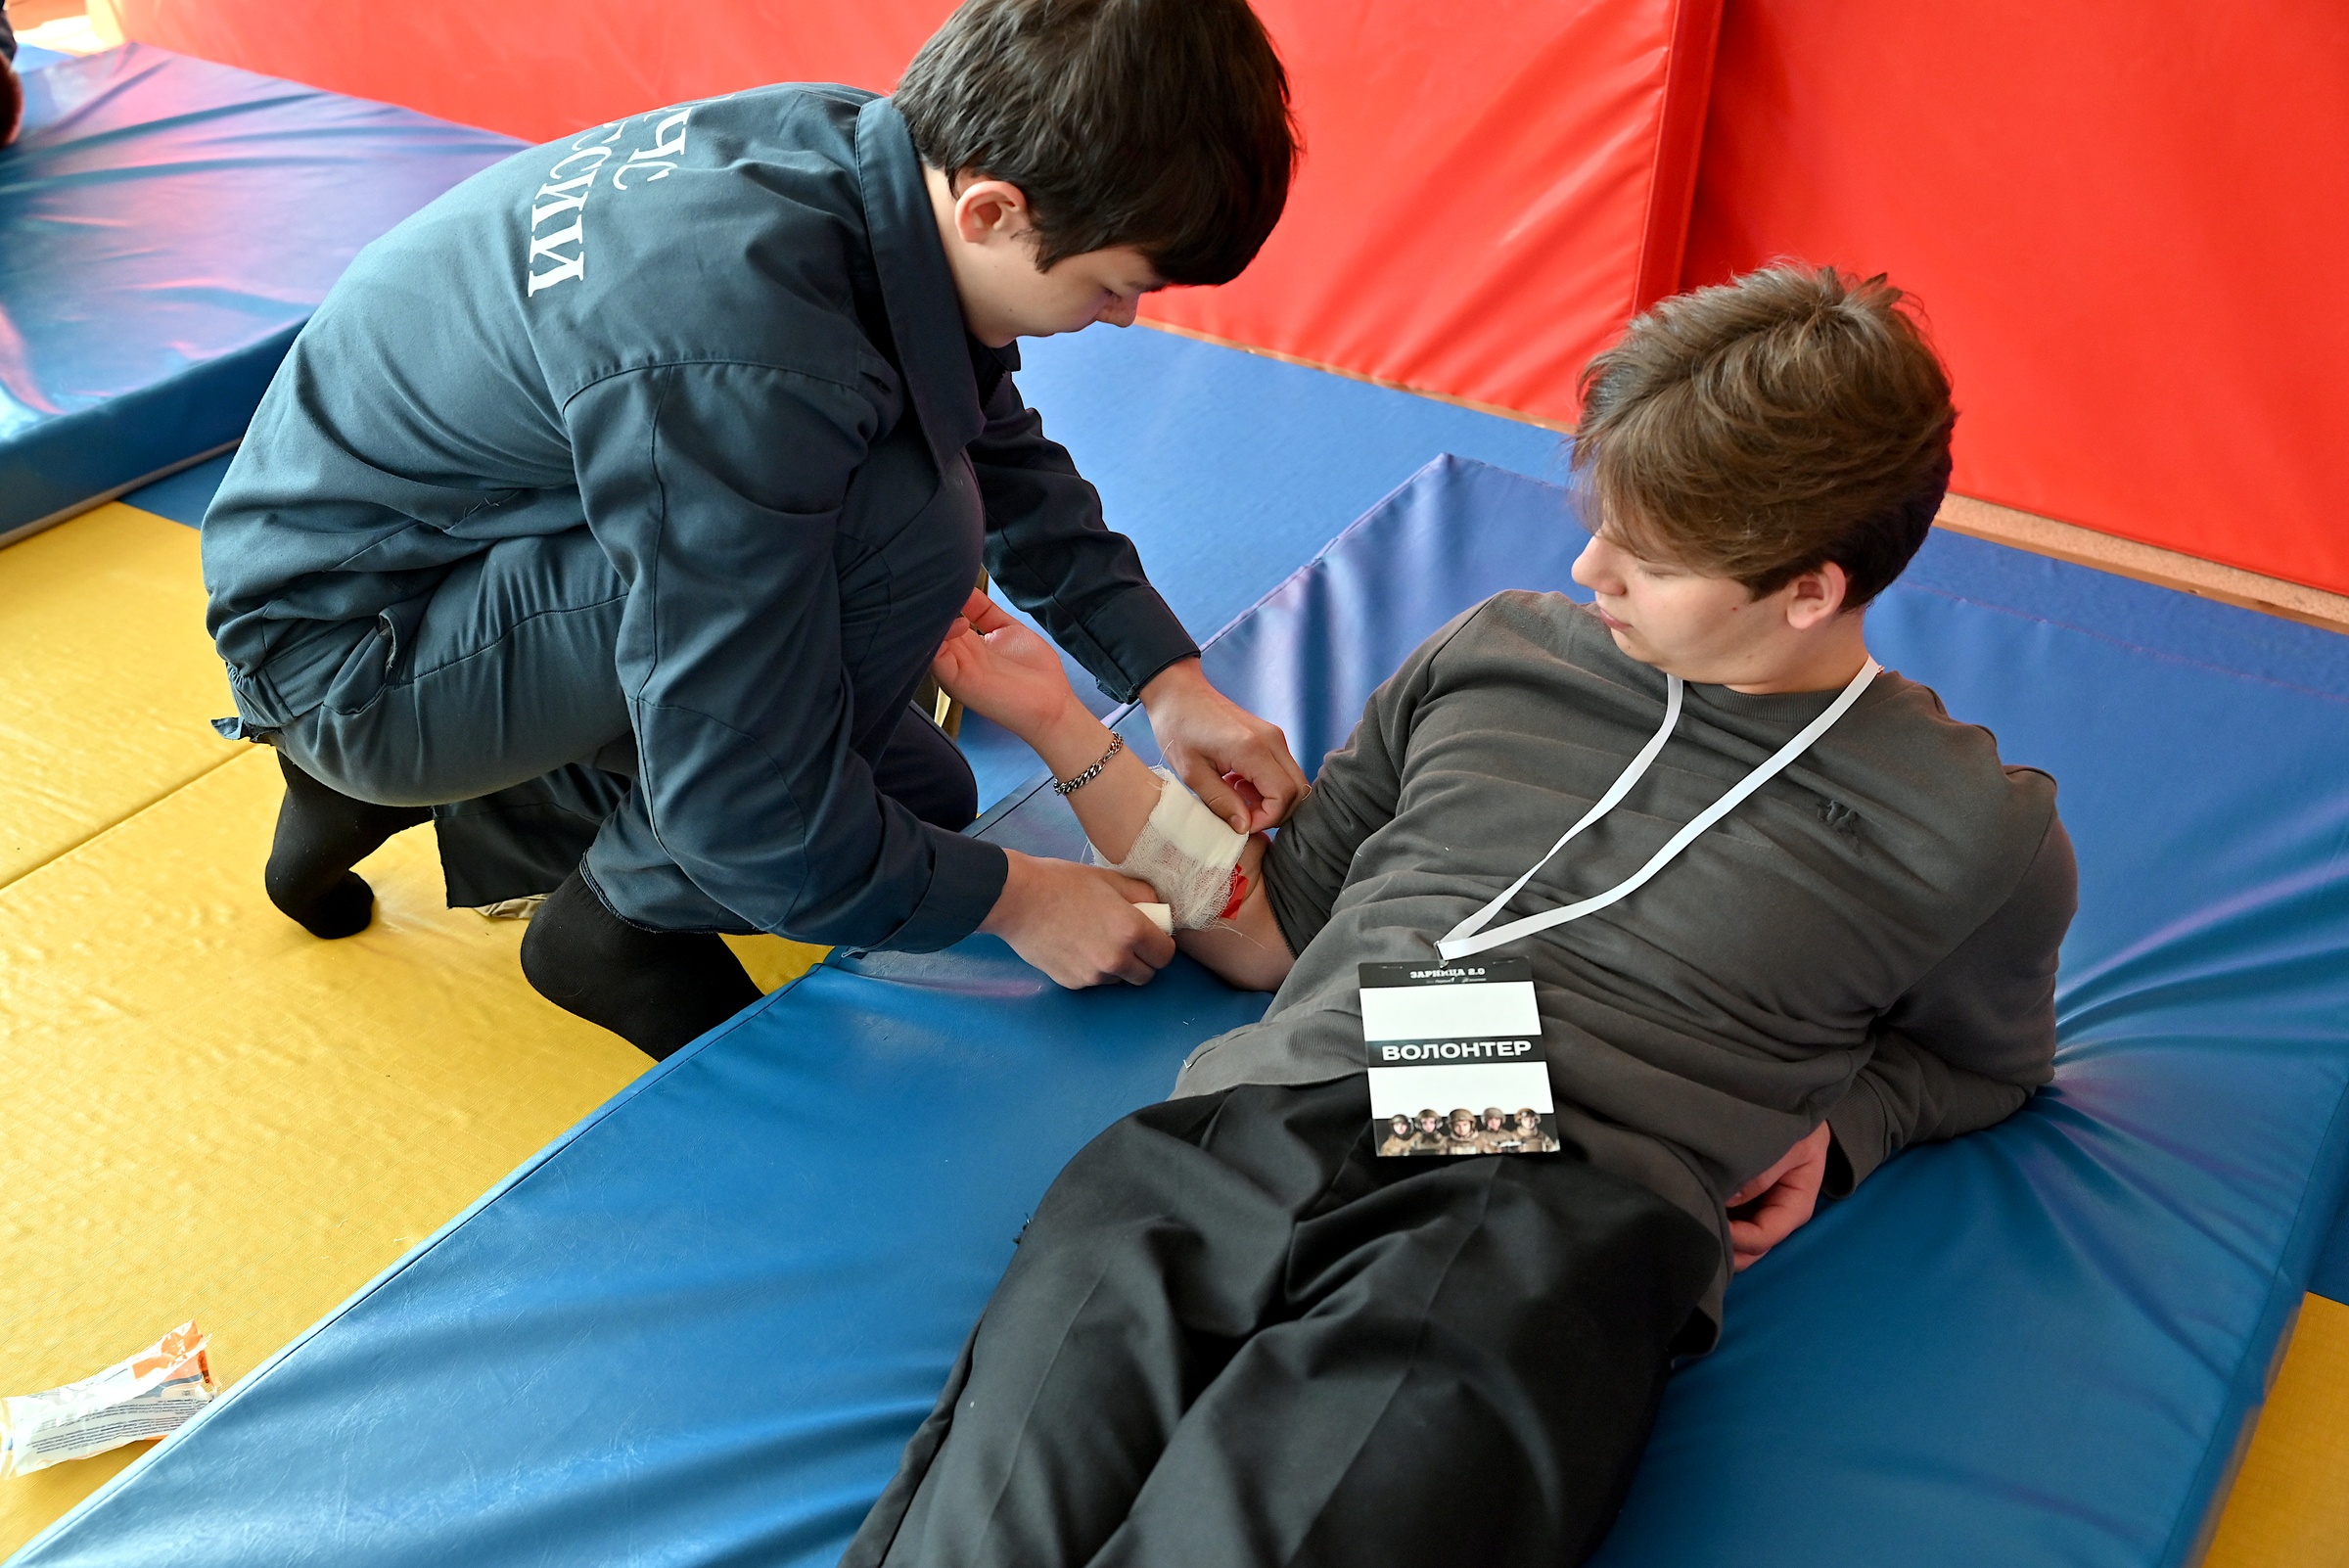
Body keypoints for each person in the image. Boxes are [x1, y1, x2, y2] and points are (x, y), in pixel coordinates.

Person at [841, 265, 2076, 1567]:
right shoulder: (1502, 648)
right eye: (1600, 522)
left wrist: (1846, 1129)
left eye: (1650, 559)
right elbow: (1272, 924)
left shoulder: (1970, 829)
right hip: (1249, 1126)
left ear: (1809, 590)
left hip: (1547, 1212)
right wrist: (1059, 721)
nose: (1590, 568)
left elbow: (1991, 1066)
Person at [198, 0, 1307, 1059]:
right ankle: (615, 923)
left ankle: (393, 787)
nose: (1123, 319)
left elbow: (990, 437)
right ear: (993, 213)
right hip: (353, 651)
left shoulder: (865, 154)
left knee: (919, 795)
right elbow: (745, 811)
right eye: (1116, 287)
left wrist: (1168, 682)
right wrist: (1018, 899)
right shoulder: (752, 356)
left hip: (409, 562)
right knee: (908, 527)